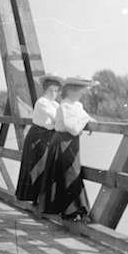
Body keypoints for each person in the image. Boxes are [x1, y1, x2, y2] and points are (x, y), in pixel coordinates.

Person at [37, 77, 97, 221]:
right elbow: (74, 129)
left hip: (71, 143)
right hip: (63, 142)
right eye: (79, 90)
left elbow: (84, 117)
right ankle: (72, 211)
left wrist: (89, 120)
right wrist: (85, 120)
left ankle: (73, 210)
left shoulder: (77, 105)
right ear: (70, 91)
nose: (82, 93)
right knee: (69, 174)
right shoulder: (64, 106)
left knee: (71, 172)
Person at [15, 74, 62, 203]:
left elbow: (61, 116)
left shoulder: (55, 104)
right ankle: (35, 198)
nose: (54, 93)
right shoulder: (42, 102)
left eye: (56, 91)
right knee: (37, 166)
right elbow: (56, 118)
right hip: (38, 136)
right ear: (46, 90)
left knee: (46, 165)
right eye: (52, 90)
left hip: (48, 136)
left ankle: (44, 199)